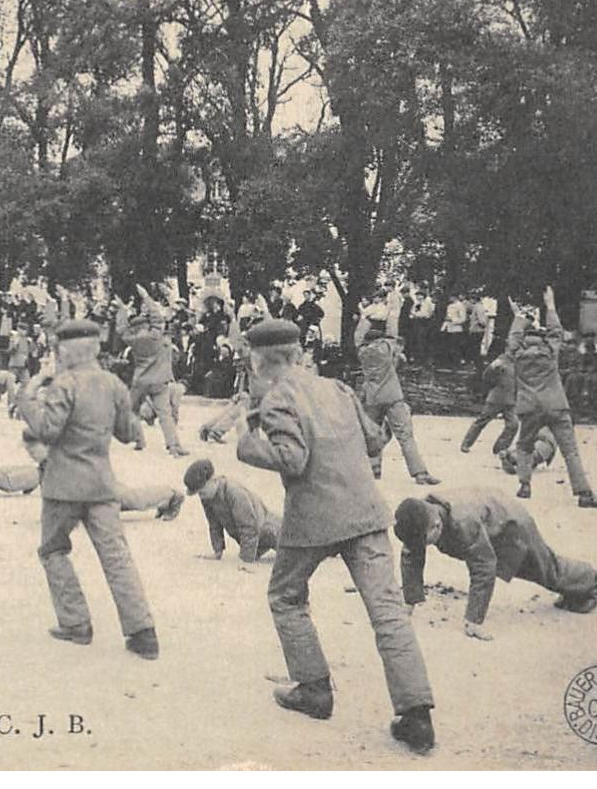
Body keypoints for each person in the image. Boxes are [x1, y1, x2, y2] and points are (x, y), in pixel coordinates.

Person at [231, 318, 435, 753]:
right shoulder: (338, 388)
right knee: (388, 611)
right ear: (298, 352)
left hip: (314, 520)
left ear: (259, 359)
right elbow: (376, 441)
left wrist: (246, 438)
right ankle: (416, 715)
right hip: (365, 513)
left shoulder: (277, 398)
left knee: (285, 596)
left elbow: (293, 460)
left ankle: (314, 689)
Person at [17, 318, 158, 658]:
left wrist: (27, 398)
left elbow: (47, 431)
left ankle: (75, 623)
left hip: (63, 486)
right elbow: (126, 433)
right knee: (116, 555)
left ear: (63, 351)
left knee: (52, 550)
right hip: (102, 483)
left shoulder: (63, 384)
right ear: (95, 348)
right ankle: (143, 633)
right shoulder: (113, 384)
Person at [394, 489, 597, 642]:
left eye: (424, 542)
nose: (421, 547)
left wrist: (473, 620)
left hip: (511, 526)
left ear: (436, 527)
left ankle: (592, 582)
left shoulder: (464, 523)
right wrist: (409, 603)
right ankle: (579, 587)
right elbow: (411, 555)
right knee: (544, 571)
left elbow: (483, 568)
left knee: (547, 571)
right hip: (488, 515)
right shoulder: (420, 514)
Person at [507, 289, 597, 508]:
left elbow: (513, 338)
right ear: (542, 340)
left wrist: (517, 316)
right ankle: (584, 493)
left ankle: (524, 484)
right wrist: (550, 305)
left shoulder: (517, 353)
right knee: (570, 450)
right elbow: (556, 331)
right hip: (556, 405)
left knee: (524, 446)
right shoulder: (550, 352)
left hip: (529, 407)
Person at [354, 303, 439, 485]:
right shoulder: (386, 348)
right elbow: (393, 331)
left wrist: (363, 317)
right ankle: (420, 474)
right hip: (393, 397)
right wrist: (394, 307)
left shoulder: (362, 352)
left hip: (372, 398)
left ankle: (373, 470)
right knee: (405, 436)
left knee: (371, 435)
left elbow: (358, 337)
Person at [183, 458, 279, 567]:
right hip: (257, 541)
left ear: (213, 480)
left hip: (272, 531)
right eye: (198, 493)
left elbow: (249, 527)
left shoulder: (234, 493)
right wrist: (217, 551)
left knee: (295, 553)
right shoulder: (208, 496)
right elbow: (214, 524)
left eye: (202, 491)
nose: (200, 496)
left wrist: (245, 560)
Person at [124, 304, 188, 457]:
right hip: (160, 380)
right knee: (165, 414)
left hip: (141, 381)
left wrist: (123, 309)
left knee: (131, 411)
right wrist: (147, 299)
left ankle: (139, 441)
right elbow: (158, 319)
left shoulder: (132, 340)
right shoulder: (158, 337)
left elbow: (121, 330)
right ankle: (174, 446)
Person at [460, 352, 519, 461]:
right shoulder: (501, 361)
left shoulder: (521, 364)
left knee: (513, 425)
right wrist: (492, 368)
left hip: (511, 401)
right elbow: (486, 377)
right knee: (482, 421)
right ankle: (466, 444)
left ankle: (500, 448)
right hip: (496, 399)